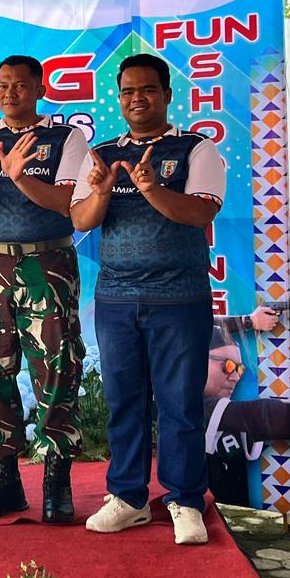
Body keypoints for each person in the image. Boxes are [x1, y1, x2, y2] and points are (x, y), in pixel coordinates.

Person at [71, 53, 226, 545]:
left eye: (147, 89)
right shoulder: (102, 153)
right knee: (124, 401)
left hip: (179, 299)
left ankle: (186, 500)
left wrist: (152, 188)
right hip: (116, 299)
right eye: (128, 91)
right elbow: (81, 220)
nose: (137, 98)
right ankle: (129, 498)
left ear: (166, 95)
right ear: (119, 99)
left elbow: (199, 213)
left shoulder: (196, 149)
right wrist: (101, 192)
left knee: (180, 403)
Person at [0, 55, 88, 522]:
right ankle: (6, 480)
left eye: (20, 85)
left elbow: (66, 202)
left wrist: (18, 175)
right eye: (2, 85)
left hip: (47, 264)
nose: (10, 93)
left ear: (40, 89)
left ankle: (56, 482)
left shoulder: (65, 137)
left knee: (56, 368)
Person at [205, 308, 290, 506]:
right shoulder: (182, 402)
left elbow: (198, 322)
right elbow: (260, 417)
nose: (235, 377)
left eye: (239, 369)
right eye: (228, 366)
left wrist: (248, 321)